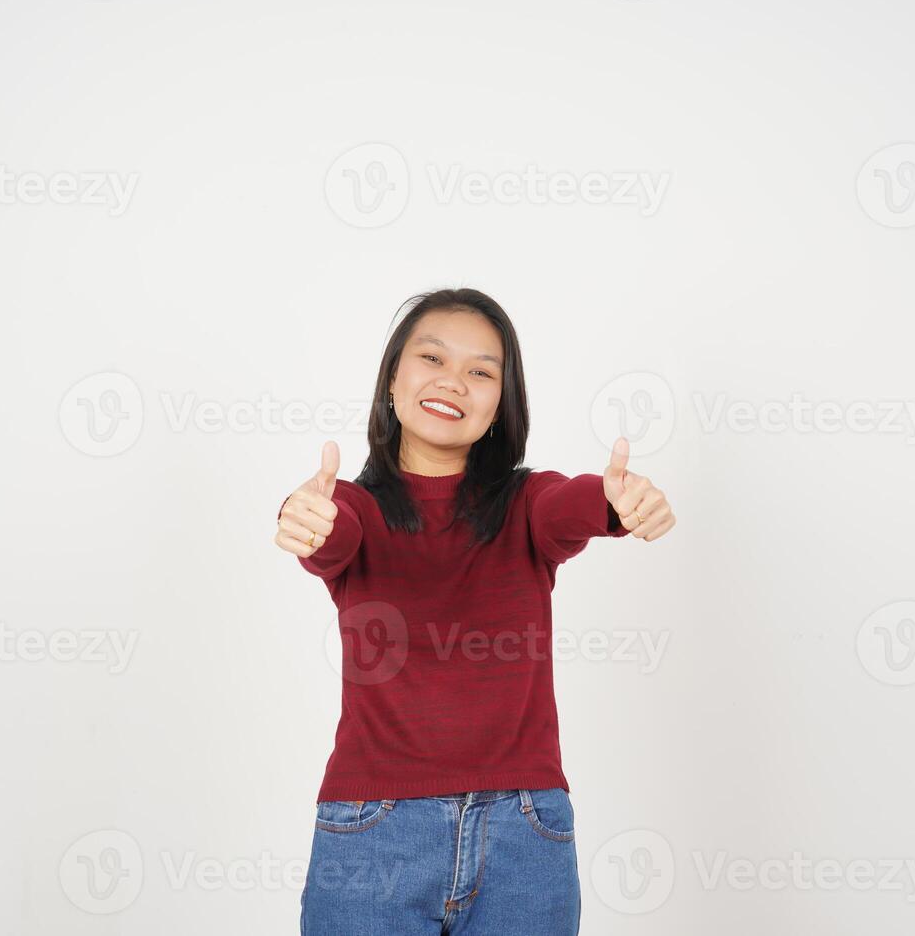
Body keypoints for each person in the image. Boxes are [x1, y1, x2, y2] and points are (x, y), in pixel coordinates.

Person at [273, 288, 674, 935]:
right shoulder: (355, 507)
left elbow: (568, 505)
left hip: (525, 834)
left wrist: (613, 501)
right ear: (394, 380)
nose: (453, 382)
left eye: (481, 371)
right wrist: (306, 518)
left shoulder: (525, 506)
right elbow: (332, 532)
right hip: (374, 836)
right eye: (432, 358)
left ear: (500, 405)